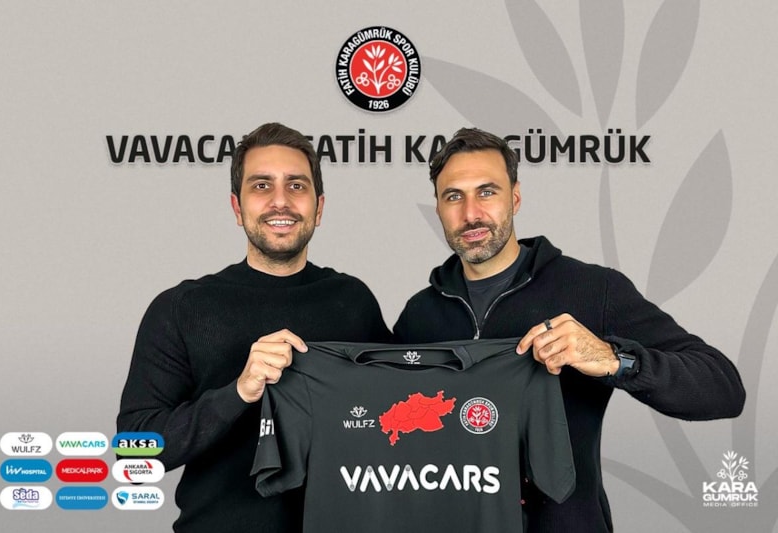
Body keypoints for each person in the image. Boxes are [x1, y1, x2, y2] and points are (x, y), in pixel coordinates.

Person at [392, 127, 746, 532]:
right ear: (438, 208)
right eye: (453, 196)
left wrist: (612, 359)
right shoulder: (419, 314)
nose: (471, 213)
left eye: (487, 192)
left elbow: (723, 389)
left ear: (515, 198)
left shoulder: (593, 290)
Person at [117, 122, 391, 532]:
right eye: (262, 186)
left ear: (318, 208)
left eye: (296, 186)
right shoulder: (181, 308)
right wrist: (239, 392)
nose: (280, 201)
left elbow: (394, 416)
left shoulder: (353, 301)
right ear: (236, 207)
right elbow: (134, 452)